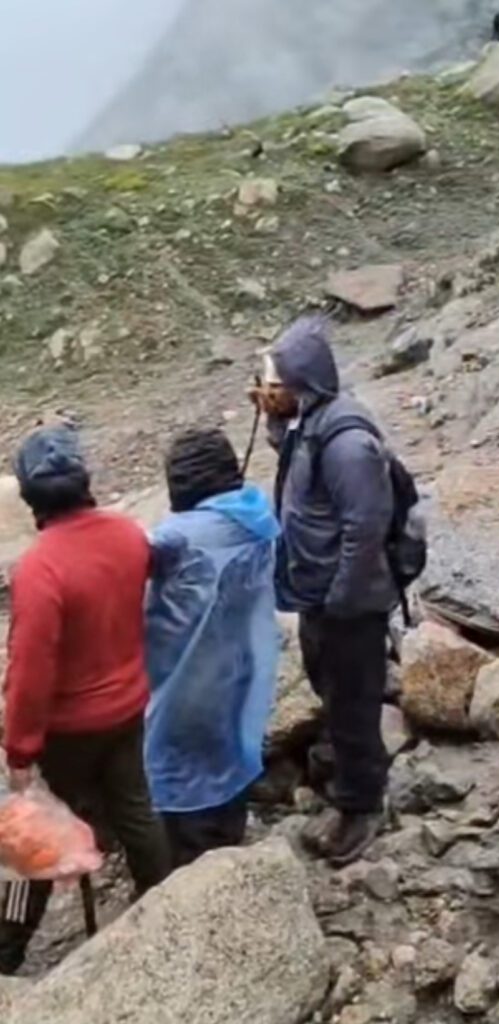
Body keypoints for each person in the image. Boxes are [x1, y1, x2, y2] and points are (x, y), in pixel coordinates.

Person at [0, 426, 170, 975]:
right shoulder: (128, 535)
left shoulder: (40, 569)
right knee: (135, 809)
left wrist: (20, 750)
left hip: (69, 731)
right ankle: (166, 905)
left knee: (34, 838)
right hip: (127, 707)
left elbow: (30, 673)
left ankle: (6, 950)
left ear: (30, 497)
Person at [256, 316, 396, 868]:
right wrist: (274, 417)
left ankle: (362, 807)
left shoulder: (349, 444)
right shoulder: (309, 422)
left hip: (349, 604)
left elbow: (366, 528)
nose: (271, 390)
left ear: (305, 382)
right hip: (320, 597)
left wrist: (342, 599)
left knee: (353, 702)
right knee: (333, 693)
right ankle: (351, 775)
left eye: (278, 384)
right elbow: (292, 460)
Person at [144, 428, 279, 868]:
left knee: (182, 774)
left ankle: (194, 873)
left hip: (188, 679)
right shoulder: (255, 515)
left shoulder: (178, 536)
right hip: (240, 666)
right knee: (229, 752)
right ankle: (228, 843)